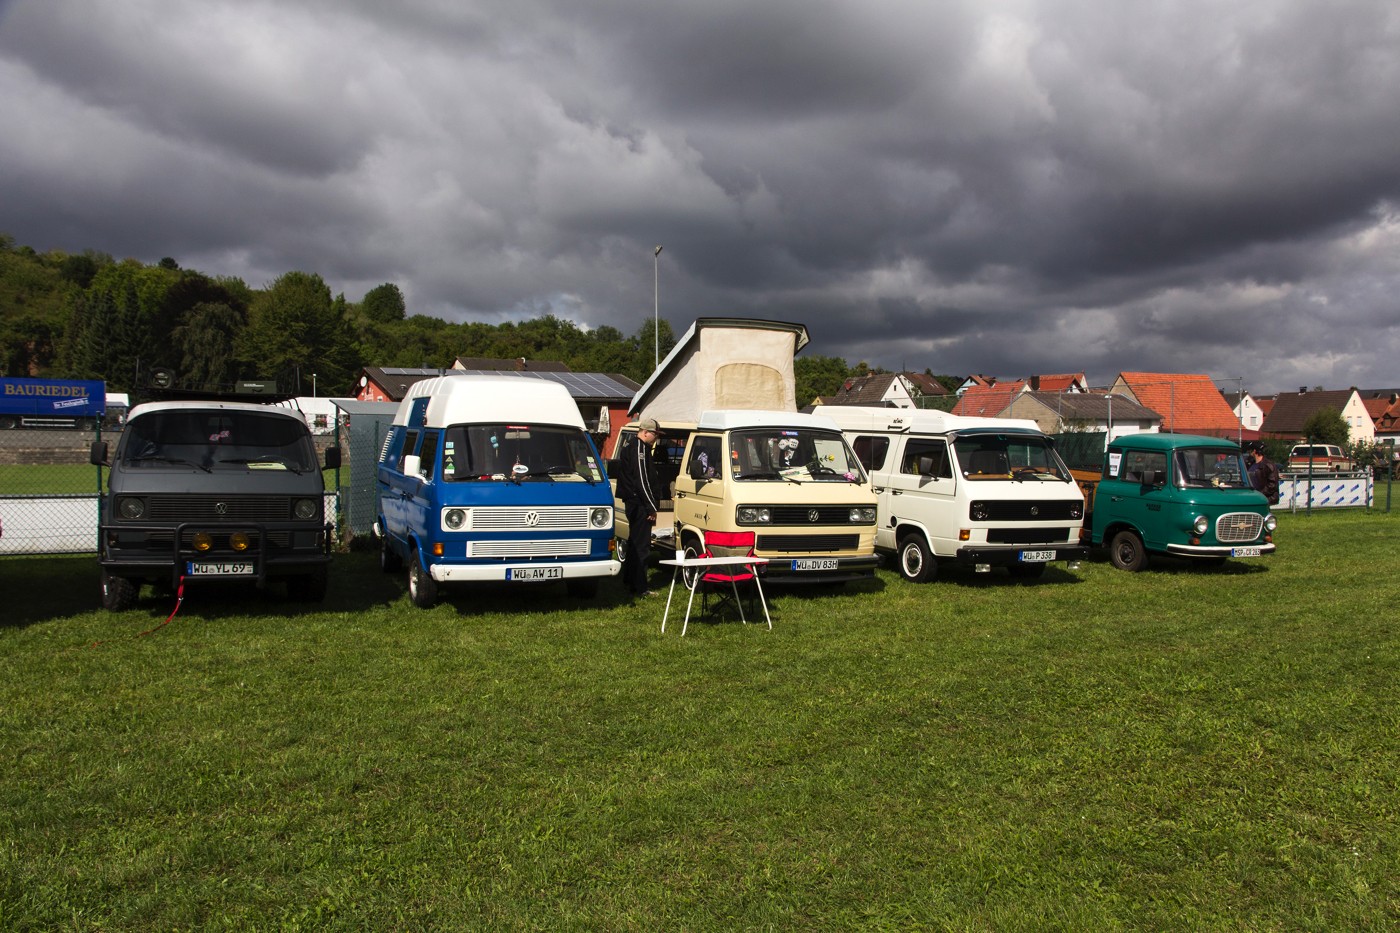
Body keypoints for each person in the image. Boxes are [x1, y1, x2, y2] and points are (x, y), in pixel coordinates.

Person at [616, 418, 664, 596]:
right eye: (655, 434)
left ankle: (629, 581)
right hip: (639, 504)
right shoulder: (639, 449)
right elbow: (641, 481)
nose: (656, 438)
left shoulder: (634, 447)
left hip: (636, 503)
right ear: (645, 432)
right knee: (642, 546)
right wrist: (651, 507)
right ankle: (640, 587)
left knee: (634, 543)